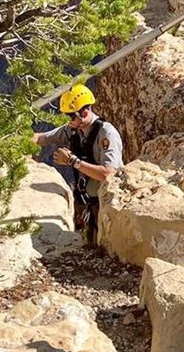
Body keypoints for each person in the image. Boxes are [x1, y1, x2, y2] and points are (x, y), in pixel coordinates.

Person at [32, 84, 124, 247]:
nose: (69, 121)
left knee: (102, 246)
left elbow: (108, 174)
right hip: (85, 199)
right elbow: (42, 138)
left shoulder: (106, 134)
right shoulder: (74, 130)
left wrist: (73, 161)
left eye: (71, 116)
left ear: (84, 112)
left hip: (105, 203)